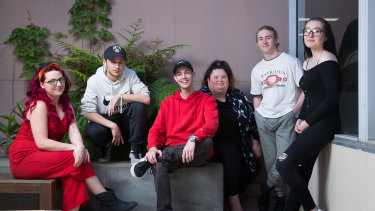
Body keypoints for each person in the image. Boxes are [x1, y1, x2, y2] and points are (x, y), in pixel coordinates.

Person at [8, 62, 137, 211]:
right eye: (52, 81)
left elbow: (73, 128)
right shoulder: (39, 105)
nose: (58, 84)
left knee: (73, 175)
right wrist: (75, 148)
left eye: (60, 79)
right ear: (42, 85)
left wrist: (80, 147)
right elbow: (42, 143)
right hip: (24, 159)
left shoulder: (65, 105)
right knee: (74, 157)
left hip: (44, 156)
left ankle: (105, 202)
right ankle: (108, 201)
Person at [130, 60, 219, 211]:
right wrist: (152, 147)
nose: (183, 76)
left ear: (193, 75)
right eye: (179, 74)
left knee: (207, 142)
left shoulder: (206, 99)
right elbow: (156, 130)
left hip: (197, 152)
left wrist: (193, 138)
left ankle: (152, 160)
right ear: (175, 78)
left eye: (187, 72)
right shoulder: (167, 103)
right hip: (174, 155)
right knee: (160, 166)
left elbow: (212, 125)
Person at [276, 17, 341, 211]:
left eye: (316, 30)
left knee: (284, 164)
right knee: (302, 172)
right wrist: (301, 119)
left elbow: (332, 98)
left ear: (326, 36)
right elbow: (310, 96)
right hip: (310, 123)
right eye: (307, 30)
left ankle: (312, 209)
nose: (310, 34)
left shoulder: (328, 59)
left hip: (325, 123)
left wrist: (308, 121)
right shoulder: (307, 62)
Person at [250, 25, 304, 211]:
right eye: (261, 38)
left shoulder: (290, 61)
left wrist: (294, 111)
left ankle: (266, 186)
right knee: (271, 161)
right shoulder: (257, 69)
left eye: (268, 37)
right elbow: (257, 95)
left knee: (283, 162)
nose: (265, 41)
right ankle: (280, 197)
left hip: (285, 117)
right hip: (264, 119)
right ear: (257, 43)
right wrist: (258, 114)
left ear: (276, 40)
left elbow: (305, 90)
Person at [200, 60, 261, 211]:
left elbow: (252, 118)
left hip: (240, 143)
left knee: (254, 167)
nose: (220, 80)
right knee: (229, 151)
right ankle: (234, 199)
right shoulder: (201, 97)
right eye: (216, 77)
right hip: (212, 144)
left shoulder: (237, 95)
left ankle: (229, 194)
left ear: (229, 79)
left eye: (224, 76)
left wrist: (254, 141)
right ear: (208, 80)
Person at [81, 45, 150, 163]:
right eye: (113, 62)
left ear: (124, 63)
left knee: (138, 105)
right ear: (104, 62)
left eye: (121, 62)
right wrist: (112, 125)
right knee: (93, 131)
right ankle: (107, 149)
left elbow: (146, 98)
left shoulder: (130, 74)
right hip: (105, 120)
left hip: (125, 119)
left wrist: (120, 96)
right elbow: (87, 112)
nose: (117, 66)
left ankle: (135, 151)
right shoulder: (94, 80)